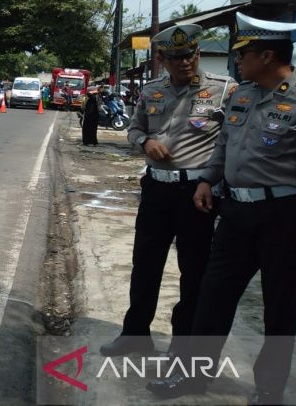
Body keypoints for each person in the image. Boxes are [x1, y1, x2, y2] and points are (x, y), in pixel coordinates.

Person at [148, 13, 296, 404]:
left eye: (244, 53)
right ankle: (194, 375)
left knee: (280, 306)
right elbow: (223, 147)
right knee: (213, 296)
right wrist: (207, 179)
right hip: (235, 213)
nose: (237, 60)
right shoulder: (242, 95)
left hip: (284, 217)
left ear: (267, 56)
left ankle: (269, 389)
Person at [100, 24, 236, 358]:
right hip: (156, 189)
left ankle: (182, 343)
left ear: (198, 54)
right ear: (161, 59)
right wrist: (145, 142)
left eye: (190, 55)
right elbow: (134, 129)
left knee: (193, 269)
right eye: (176, 57)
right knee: (145, 263)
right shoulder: (152, 91)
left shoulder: (224, 90)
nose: (185, 62)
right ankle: (135, 333)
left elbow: (233, 139)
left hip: (197, 193)